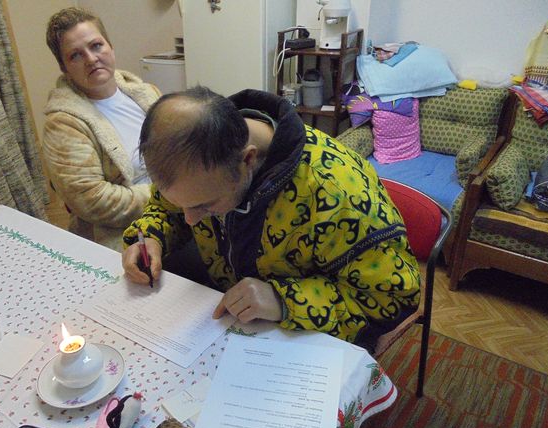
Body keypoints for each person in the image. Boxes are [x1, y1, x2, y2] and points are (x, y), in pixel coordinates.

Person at [122, 87, 420, 350]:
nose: (189, 219)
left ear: (247, 160)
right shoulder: (200, 162)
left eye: (206, 206)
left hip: (310, 335)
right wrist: (152, 235)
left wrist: (284, 300)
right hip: (235, 314)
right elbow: (167, 208)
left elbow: (392, 300)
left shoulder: (336, 192)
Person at [43, 7, 160, 251]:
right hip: (122, 233)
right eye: (75, 55)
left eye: (96, 46)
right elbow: (93, 201)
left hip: (178, 210)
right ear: (64, 67)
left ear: (110, 46)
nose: (91, 59)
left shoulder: (146, 93)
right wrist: (168, 195)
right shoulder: (63, 124)